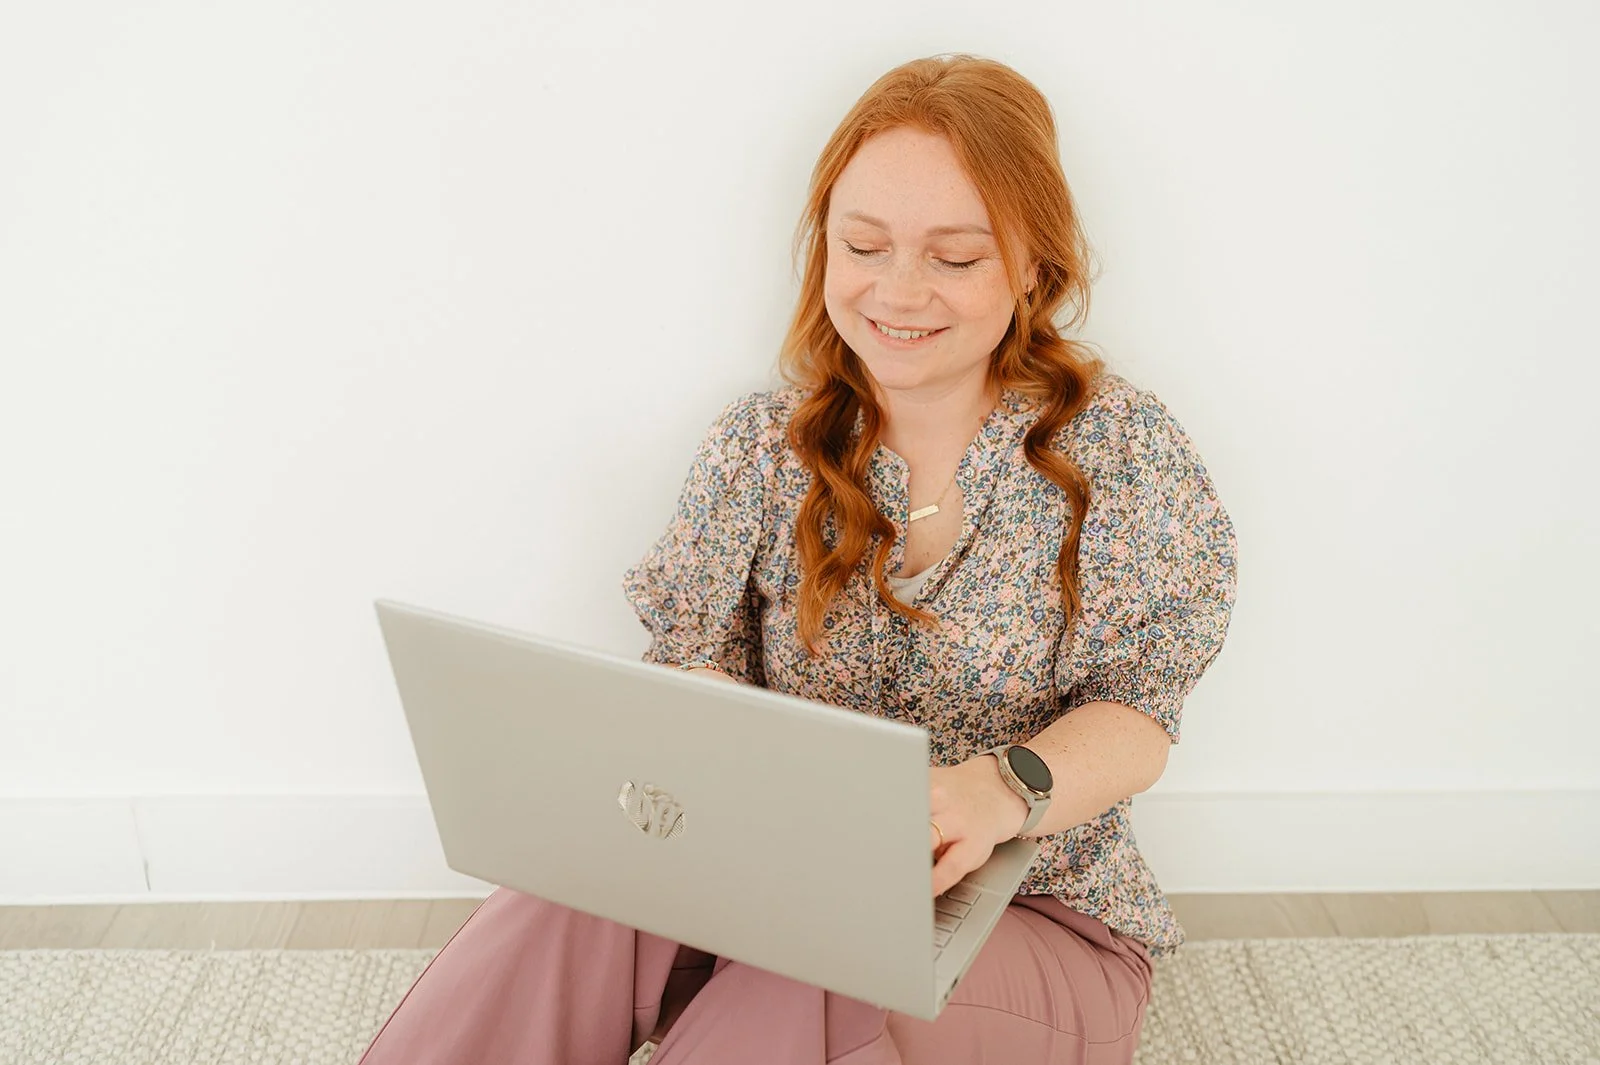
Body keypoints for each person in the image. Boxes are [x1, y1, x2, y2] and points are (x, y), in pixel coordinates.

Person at [356, 53, 1238, 1065]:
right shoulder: (759, 446)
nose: (898, 291)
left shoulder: (1121, 451)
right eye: (864, 245)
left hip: (1030, 918)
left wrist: (998, 790)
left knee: (813, 970)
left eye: (955, 258)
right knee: (575, 892)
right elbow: (692, 662)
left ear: (1033, 265)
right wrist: (695, 733)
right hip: (775, 889)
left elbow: (1139, 714)